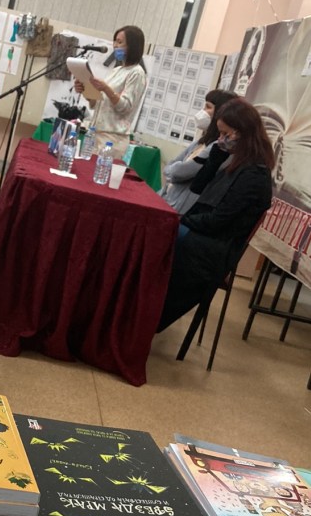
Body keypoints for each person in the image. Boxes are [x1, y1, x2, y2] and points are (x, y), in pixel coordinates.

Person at [157, 98, 274, 332]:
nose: (221, 139)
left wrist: (181, 220)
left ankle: (142, 314)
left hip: (211, 249)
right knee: (157, 232)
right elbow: (198, 189)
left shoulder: (254, 175)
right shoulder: (235, 163)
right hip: (202, 236)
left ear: (241, 133)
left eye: (225, 134)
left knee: (159, 238)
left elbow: (217, 221)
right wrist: (215, 158)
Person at [159, 90, 238, 214]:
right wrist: (173, 171)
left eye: (208, 107)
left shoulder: (219, 147)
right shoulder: (201, 142)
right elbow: (171, 166)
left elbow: (179, 172)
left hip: (180, 208)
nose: (203, 111)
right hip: (167, 197)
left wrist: (174, 171)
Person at [74, 25, 147, 156]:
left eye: (120, 42)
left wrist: (106, 88)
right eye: (115, 41)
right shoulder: (117, 70)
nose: (115, 45)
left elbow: (125, 107)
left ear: (133, 46)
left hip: (113, 139)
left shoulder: (137, 73)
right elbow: (99, 103)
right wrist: (86, 91)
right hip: (95, 133)